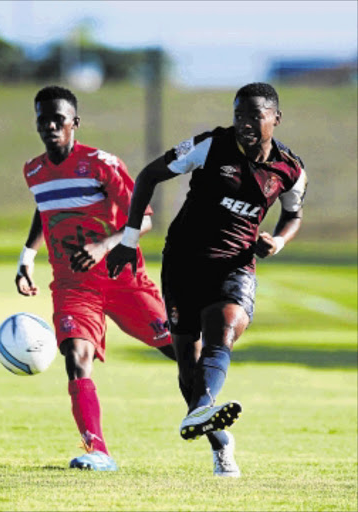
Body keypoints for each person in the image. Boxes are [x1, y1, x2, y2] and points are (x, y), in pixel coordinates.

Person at [107, 82, 307, 477]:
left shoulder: (291, 169)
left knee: (224, 328)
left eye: (254, 115)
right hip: (183, 261)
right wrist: (129, 240)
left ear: (276, 119)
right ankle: (219, 440)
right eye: (239, 114)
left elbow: (293, 213)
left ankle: (203, 415)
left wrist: (278, 241)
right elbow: (148, 176)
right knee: (187, 366)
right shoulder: (211, 145)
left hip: (235, 264)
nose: (244, 123)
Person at [15, 85, 175, 472]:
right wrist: (27, 255)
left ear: (75, 123)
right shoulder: (33, 170)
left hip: (124, 278)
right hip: (74, 285)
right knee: (76, 355)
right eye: (43, 119)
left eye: (59, 119)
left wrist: (103, 246)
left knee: (181, 350)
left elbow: (146, 219)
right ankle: (98, 450)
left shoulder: (102, 164)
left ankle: (213, 419)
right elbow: (46, 209)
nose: (51, 126)